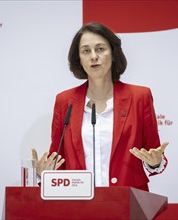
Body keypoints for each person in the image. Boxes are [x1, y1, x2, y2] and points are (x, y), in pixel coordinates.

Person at [32, 22, 168, 191]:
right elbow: (57, 160)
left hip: (128, 203)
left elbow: (154, 152)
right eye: (86, 51)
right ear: (79, 59)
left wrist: (155, 162)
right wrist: (43, 174)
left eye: (100, 49)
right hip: (78, 204)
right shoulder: (64, 101)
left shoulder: (140, 97)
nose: (93, 56)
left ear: (113, 54)